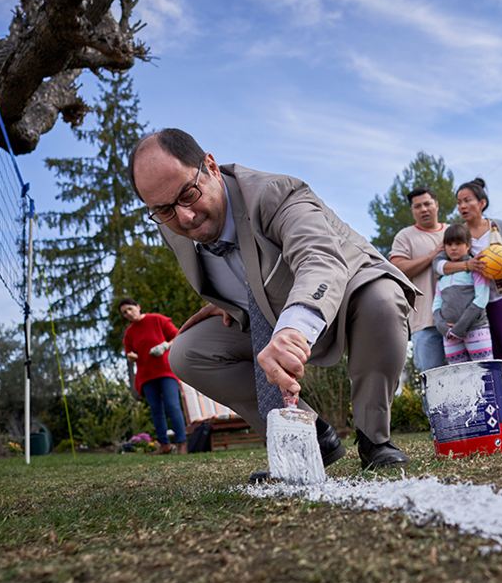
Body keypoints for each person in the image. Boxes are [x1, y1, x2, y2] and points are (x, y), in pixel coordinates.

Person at [127, 128, 418, 473]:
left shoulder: (275, 193)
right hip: (268, 312)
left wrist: (294, 329)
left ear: (211, 167)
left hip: (345, 293)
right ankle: (308, 438)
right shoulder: (172, 222)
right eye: (164, 210)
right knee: (187, 352)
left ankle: (375, 439)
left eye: (188, 194)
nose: (184, 218)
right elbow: (242, 270)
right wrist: (231, 301)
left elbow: (319, 260)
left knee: (382, 299)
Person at [434, 178, 502, 432]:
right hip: (475, 309)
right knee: (492, 362)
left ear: (481, 203)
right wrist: (467, 265)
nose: (462, 205)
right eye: (459, 202)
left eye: (467, 200)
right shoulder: (457, 233)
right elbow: (439, 265)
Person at [389, 187, 447, 372]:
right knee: (432, 380)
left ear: (436, 205)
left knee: (467, 378)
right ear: (412, 211)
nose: (423, 209)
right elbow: (397, 269)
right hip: (425, 323)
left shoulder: (453, 232)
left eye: (427, 204)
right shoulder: (405, 237)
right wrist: (431, 257)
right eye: (417, 206)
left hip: (460, 321)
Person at [119, 298, 187, 454]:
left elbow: (178, 336)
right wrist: (131, 356)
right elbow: (129, 352)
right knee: (156, 410)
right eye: (124, 313)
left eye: (130, 309)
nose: (128, 314)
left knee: (172, 405)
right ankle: (164, 445)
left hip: (165, 371)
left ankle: (182, 443)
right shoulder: (129, 333)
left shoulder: (157, 320)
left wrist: (165, 345)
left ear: (138, 307)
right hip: (146, 376)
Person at [432, 224, 492, 363]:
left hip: (476, 329)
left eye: (458, 243)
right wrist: (443, 327)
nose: (453, 248)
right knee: (459, 374)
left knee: (484, 370)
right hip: (449, 335)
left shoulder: (476, 268)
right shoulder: (442, 276)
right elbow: (436, 304)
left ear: (468, 245)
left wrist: (459, 327)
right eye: (449, 244)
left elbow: (481, 299)